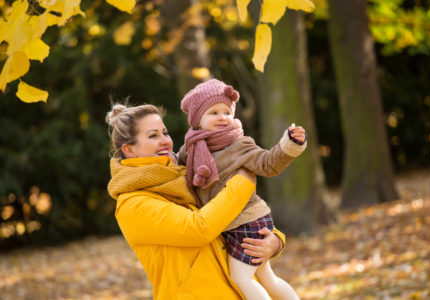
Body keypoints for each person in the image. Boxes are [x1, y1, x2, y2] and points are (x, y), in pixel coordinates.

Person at [105, 103, 286, 299]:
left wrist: (274, 241)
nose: (165, 141)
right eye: (153, 136)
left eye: (164, 133)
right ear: (129, 150)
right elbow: (199, 228)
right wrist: (243, 181)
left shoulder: (188, 174)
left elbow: (235, 215)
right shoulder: (133, 203)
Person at [178, 79, 307, 300]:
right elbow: (177, 169)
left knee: (242, 279)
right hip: (229, 222)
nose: (222, 117)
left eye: (227, 112)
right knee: (267, 279)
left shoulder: (239, 144)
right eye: (213, 112)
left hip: (247, 220)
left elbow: (268, 163)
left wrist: (289, 145)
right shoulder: (190, 149)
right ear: (197, 121)